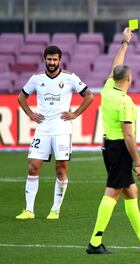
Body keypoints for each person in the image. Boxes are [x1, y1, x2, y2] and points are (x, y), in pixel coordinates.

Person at [86, 27, 140, 254]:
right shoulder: (126, 102)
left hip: (108, 145)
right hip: (120, 148)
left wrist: (125, 42)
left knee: (131, 191)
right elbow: (128, 135)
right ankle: (94, 242)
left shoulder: (107, 89)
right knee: (112, 192)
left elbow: (115, 65)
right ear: (129, 78)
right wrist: (138, 162)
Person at [16, 45, 94, 220]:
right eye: (49, 59)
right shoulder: (36, 79)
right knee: (33, 166)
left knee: (61, 169)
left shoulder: (70, 78)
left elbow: (89, 96)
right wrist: (30, 113)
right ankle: (29, 210)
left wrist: (75, 113)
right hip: (42, 129)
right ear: (44, 59)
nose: (52, 62)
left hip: (61, 129)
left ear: (60, 60)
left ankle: (55, 210)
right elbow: (21, 96)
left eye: (55, 59)